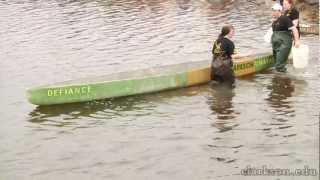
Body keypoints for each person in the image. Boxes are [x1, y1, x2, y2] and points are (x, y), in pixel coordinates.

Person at [271, 3, 300, 73]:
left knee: (279, 66)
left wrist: (297, 41)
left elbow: (294, 29)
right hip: (276, 45)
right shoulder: (274, 21)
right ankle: (280, 80)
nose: (272, 12)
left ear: (278, 11)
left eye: (274, 10)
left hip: (284, 45)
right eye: (272, 10)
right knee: (276, 64)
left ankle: (286, 80)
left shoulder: (285, 18)